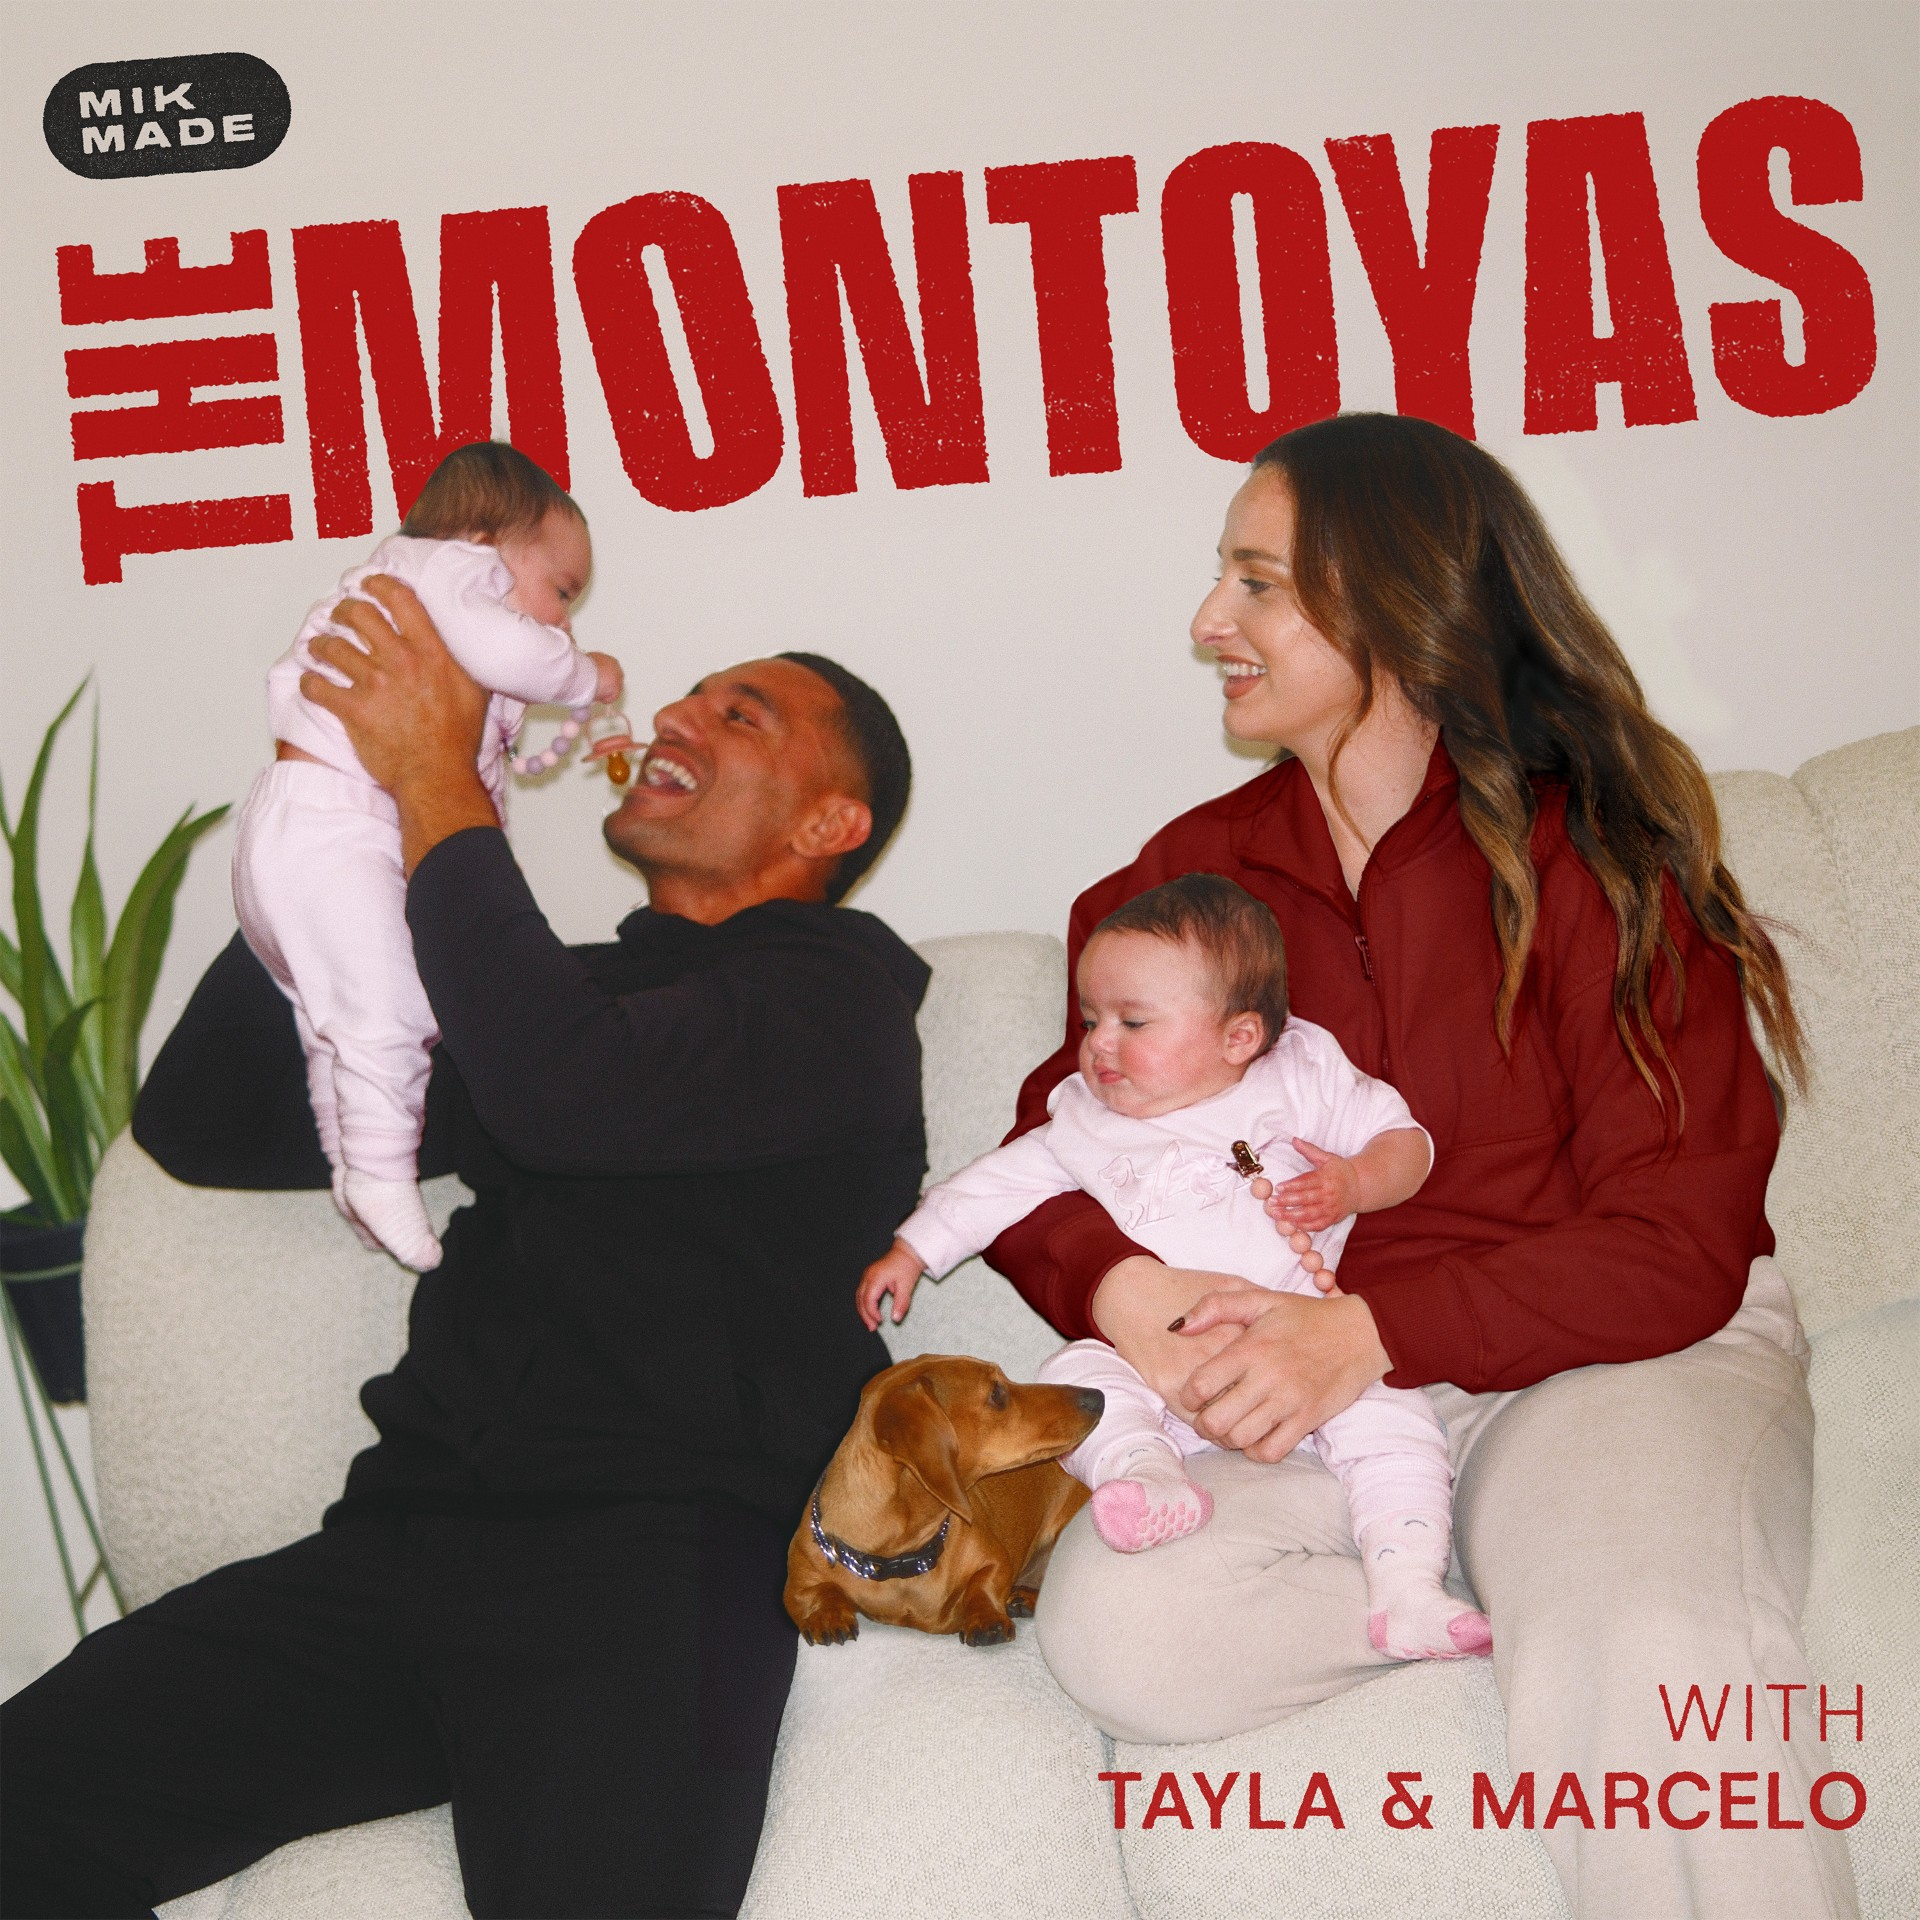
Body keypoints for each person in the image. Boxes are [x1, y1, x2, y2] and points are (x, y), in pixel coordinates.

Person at [984, 414, 1853, 1919]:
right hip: (1333, 1401)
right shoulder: (1185, 881)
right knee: (1127, 1630)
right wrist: (1125, 1294)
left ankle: (1585, 1594)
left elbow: (1678, 1239)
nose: (1209, 623)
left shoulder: (1601, 850)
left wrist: (1367, 1332)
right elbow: (1048, 1149)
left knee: (1647, 1632)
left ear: (1395, 601)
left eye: (1258, 583)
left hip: (1613, 1355)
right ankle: (1511, 1590)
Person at [0, 578, 923, 1920]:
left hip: (651, 1564)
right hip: (405, 1544)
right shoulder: (555, 999)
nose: (678, 713)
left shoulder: (837, 998)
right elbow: (207, 1124)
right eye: (689, 694)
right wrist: (347, 816)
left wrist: (444, 790)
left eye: (743, 714)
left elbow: (570, 1095)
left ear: (831, 825)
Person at [861, 873, 1490, 1661]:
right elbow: (992, 1187)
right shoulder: (1083, 1121)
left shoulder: (1301, 1077)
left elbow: (1406, 1141)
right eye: (1091, 1019)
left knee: (1395, 1416)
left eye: (1132, 1022)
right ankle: (1148, 1477)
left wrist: (1356, 1182)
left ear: (1239, 1038)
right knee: (1075, 1377)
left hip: (1303, 1348)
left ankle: (1407, 1589)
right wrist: (914, 1249)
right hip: (1159, 1367)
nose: (1099, 1043)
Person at [236, 440, 626, 1271]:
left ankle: (353, 1169)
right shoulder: (445, 570)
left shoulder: (425, 598)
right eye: (561, 591)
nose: (563, 618)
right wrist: (583, 676)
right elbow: (512, 652)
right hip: (341, 830)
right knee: (394, 1015)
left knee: (334, 1027)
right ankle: (382, 1170)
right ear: (486, 544)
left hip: (301, 836)